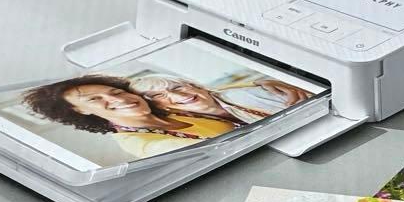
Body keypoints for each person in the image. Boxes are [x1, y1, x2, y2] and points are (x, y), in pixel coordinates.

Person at [22, 75, 237, 159]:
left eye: (116, 92)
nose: (118, 99)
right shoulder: (142, 143)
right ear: (80, 111)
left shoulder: (166, 108)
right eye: (94, 99)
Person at [129, 72, 310, 123]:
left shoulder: (247, 95)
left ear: (195, 85)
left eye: (177, 87)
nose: (178, 95)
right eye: (158, 95)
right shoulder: (192, 123)